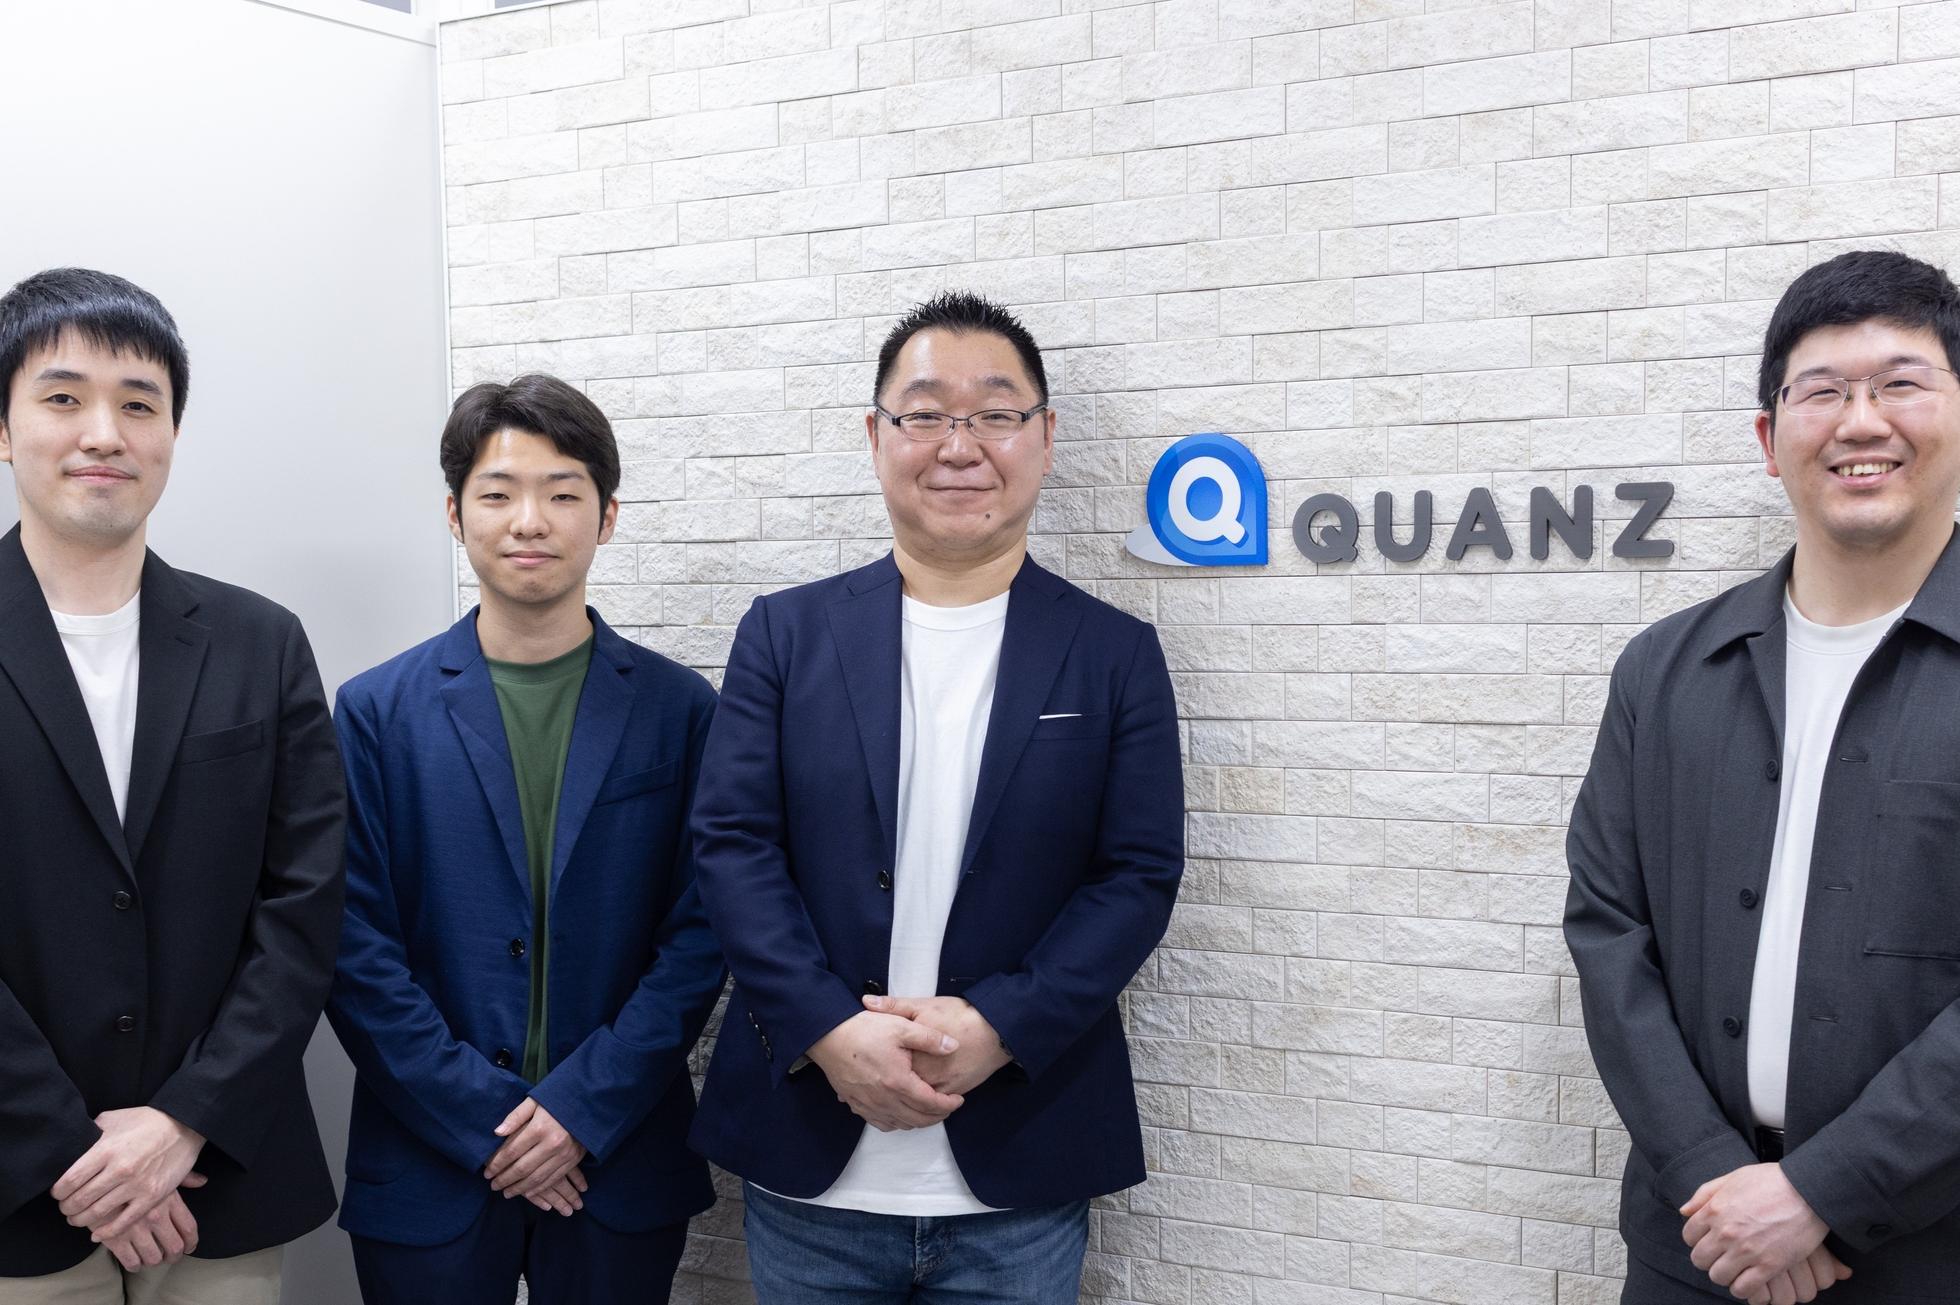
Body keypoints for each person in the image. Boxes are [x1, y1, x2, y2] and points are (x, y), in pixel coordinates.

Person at [689, 291, 1185, 1302]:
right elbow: (732, 846)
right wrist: (830, 1030)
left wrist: (1000, 1025)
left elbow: (1136, 876)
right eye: (925, 414)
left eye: (995, 413)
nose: (960, 445)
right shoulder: (784, 635)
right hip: (811, 1169)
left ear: (1045, 438)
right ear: (877, 437)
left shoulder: (1113, 653)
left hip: (1021, 1172)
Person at [1566, 250, 1960, 1304]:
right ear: (1767, 437)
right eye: (1820, 391)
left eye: (1900, 383)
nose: (1859, 421)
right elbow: (1608, 935)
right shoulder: (1664, 671)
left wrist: (1822, 1191)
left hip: (1929, 1255)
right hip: (1694, 1246)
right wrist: (1712, 1179)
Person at [326, 374, 724, 1304]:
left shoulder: (680, 709)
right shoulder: (376, 710)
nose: (529, 521)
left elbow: (701, 935)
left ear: (608, 517)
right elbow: (353, 945)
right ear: (455, 515)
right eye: (498, 493)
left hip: (617, 1158)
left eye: (562, 493)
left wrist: (582, 1109)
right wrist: (495, 1123)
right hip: (427, 1162)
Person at [0, 267, 346, 1301]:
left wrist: (185, 1117)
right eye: (64, 398)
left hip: (218, 1178)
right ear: (5, 430)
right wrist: (73, 1150)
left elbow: (304, 907)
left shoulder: (261, 642)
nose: (103, 433)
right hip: (17, 1194)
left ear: (173, 434)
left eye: (139, 404)